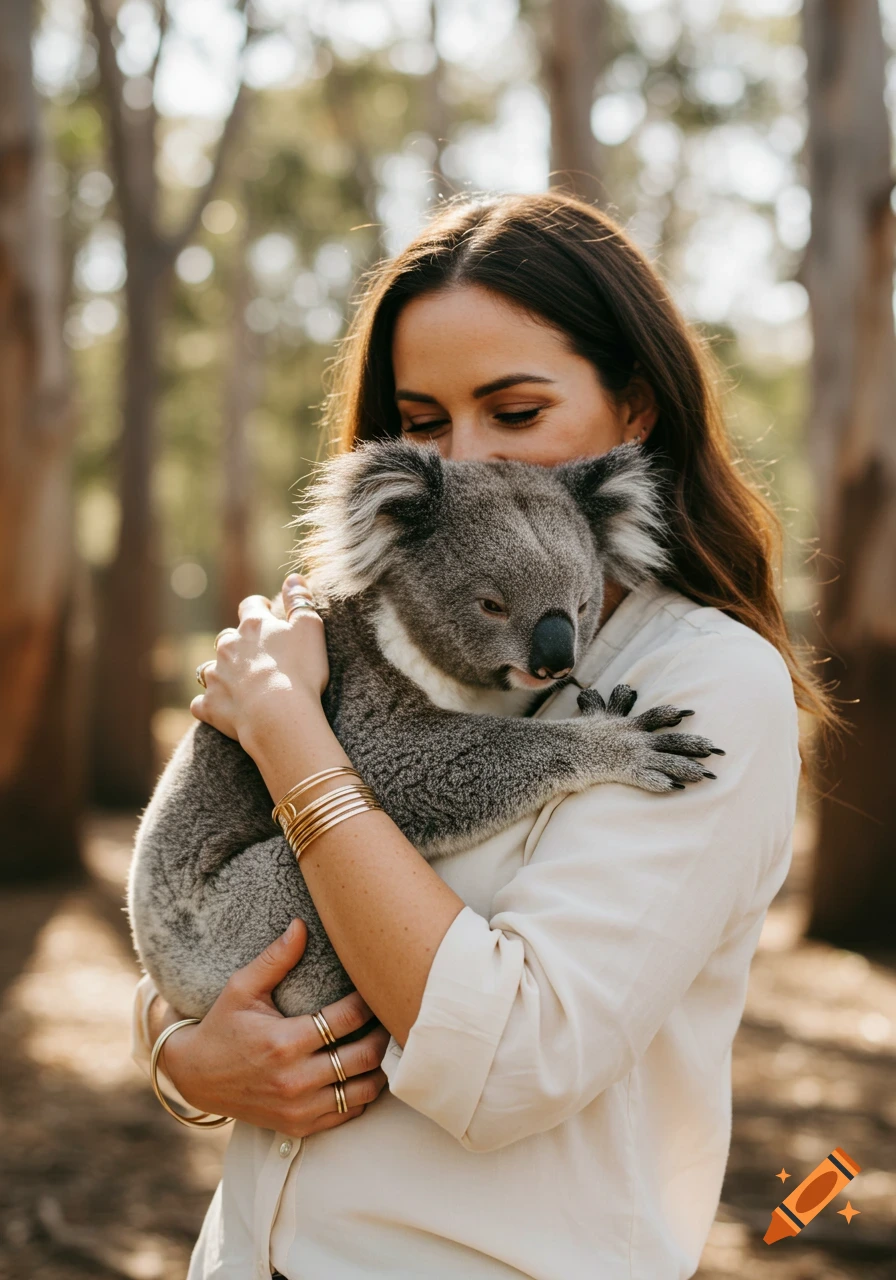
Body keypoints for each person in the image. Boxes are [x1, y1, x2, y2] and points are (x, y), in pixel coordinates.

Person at [130, 191, 834, 1280]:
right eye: (421, 423)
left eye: (514, 413)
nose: (462, 461)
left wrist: (286, 732)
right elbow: (203, 903)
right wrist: (181, 1056)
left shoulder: (697, 683)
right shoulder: (357, 615)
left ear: (633, 412)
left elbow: (510, 1060)